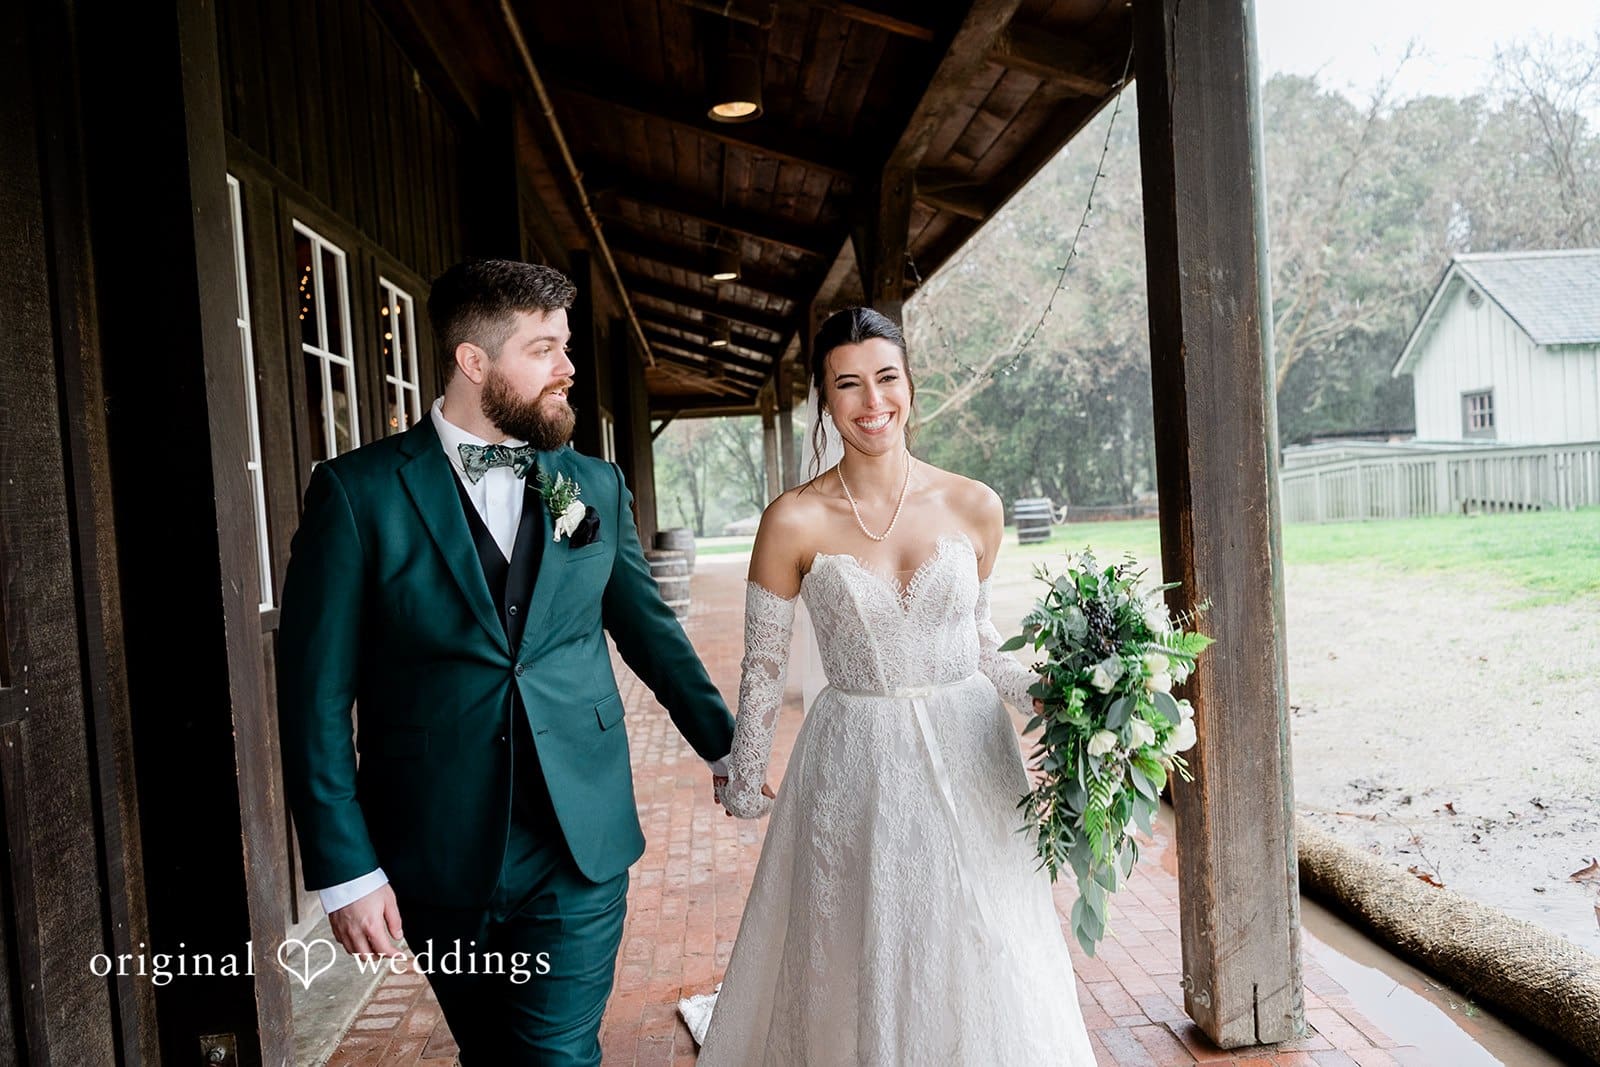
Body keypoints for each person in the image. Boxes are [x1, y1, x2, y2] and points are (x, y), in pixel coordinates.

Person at [276, 259, 734, 1065]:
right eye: (545, 348)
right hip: (435, 844)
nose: (568, 367)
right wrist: (346, 869)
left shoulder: (587, 484)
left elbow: (647, 628)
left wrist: (727, 742)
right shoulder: (359, 493)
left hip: (577, 841)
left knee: (557, 1054)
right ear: (475, 362)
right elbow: (314, 693)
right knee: (493, 1054)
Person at [696, 307, 1098, 1064]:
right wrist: (746, 774)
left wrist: (1060, 697)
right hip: (856, 757)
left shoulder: (974, 503)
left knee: (985, 934)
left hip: (973, 752)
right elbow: (762, 665)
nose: (871, 401)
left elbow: (982, 647)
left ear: (911, 384)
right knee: (864, 939)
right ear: (824, 398)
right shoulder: (791, 520)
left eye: (886, 377)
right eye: (848, 384)